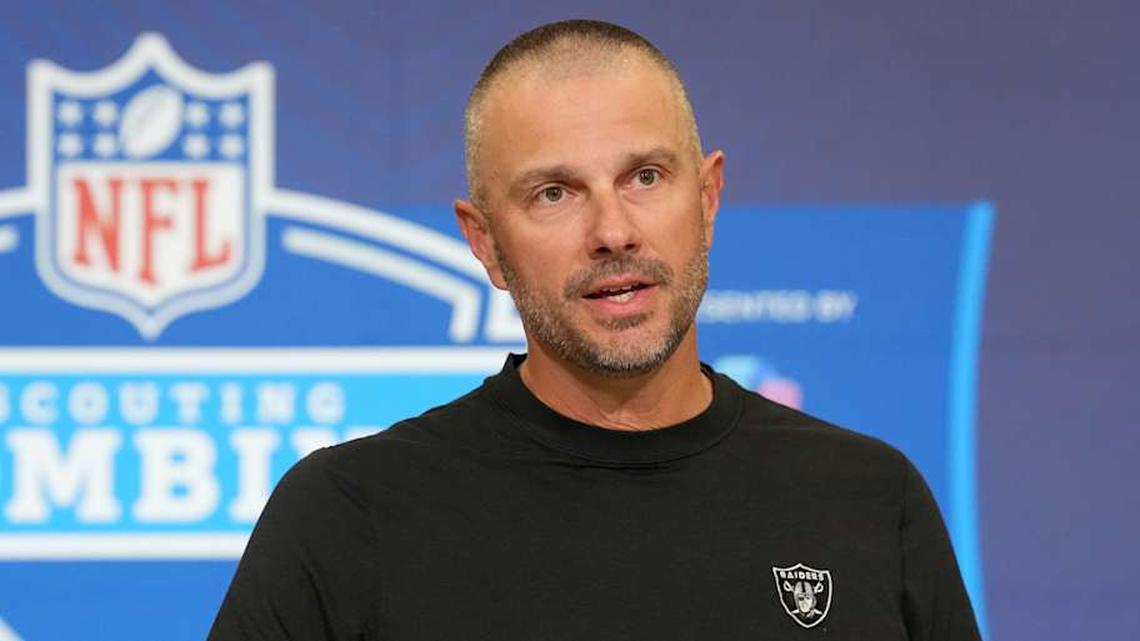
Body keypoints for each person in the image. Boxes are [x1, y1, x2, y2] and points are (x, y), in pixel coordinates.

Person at [208, 20, 981, 640]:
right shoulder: (350, 514)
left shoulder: (870, 500)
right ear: (485, 243)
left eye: (645, 177)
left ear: (707, 197)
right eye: (554, 193)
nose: (614, 231)